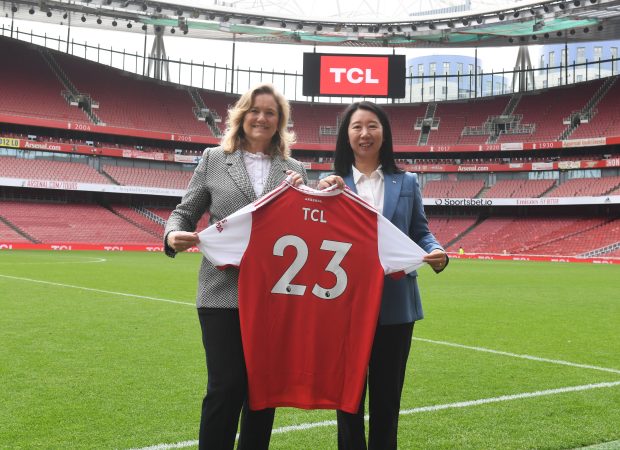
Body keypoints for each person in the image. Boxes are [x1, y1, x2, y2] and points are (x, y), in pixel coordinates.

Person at [164, 83, 307, 450]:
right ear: (241, 116)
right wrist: (172, 235)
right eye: (255, 110)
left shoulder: (295, 169)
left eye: (270, 112)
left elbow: (305, 225)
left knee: (263, 393)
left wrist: (316, 188)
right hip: (221, 292)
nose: (261, 118)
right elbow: (184, 212)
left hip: (276, 295)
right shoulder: (214, 158)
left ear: (280, 122)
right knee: (225, 387)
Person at [318, 101, 448, 450]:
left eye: (372, 125)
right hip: (343, 304)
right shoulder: (331, 184)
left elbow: (420, 231)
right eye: (356, 126)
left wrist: (437, 250)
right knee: (347, 399)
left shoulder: (407, 182)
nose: (365, 133)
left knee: (387, 399)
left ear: (384, 133)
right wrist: (319, 190)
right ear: (346, 135)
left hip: (396, 305)